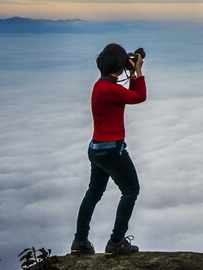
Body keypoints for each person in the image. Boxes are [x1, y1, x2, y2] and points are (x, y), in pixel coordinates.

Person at [71, 43, 147, 255]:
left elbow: (127, 95)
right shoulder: (111, 89)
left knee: (93, 193)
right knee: (131, 190)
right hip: (112, 150)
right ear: (120, 65)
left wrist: (128, 72)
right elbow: (139, 97)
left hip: (96, 149)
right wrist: (137, 72)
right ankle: (116, 241)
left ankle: (80, 241)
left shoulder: (100, 85)